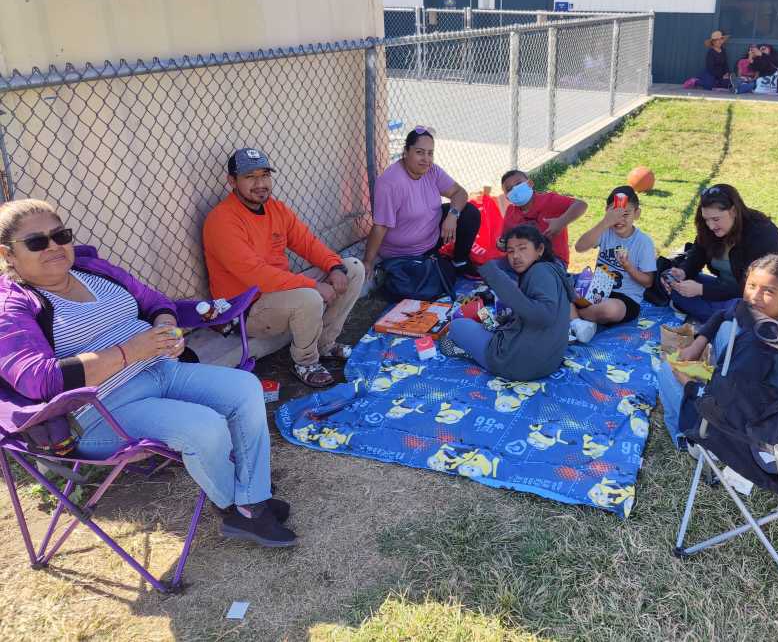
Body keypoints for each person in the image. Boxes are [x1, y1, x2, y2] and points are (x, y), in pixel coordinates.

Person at [0, 199, 297, 547]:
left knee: (245, 387)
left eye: (60, 235)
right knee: (204, 426)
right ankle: (239, 508)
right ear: (8, 255)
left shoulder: (92, 269)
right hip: (102, 411)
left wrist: (167, 329)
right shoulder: (14, 305)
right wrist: (129, 352)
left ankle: (250, 500)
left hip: (159, 369)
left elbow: (157, 303)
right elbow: (38, 379)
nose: (54, 247)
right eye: (37, 242)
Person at [203, 148, 364, 388]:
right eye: (250, 177)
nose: (260, 184)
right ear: (232, 181)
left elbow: (308, 244)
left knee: (352, 268)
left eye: (265, 175)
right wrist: (313, 285)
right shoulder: (222, 220)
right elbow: (256, 275)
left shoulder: (277, 209)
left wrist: (334, 266)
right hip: (244, 309)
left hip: (278, 294)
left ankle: (324, 344)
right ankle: (305, 361)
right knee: (309, 297)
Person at [445, 225, 576, 380]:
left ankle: (471, 351)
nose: (515, 256)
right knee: (489, 322)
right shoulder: (551, 270)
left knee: (457, 325)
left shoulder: (539, 271)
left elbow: (543, 316)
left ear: (539, 250)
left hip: (516, 363)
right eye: (511, 251)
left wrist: (497, 279)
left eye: (522, 248)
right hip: (548, 362)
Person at [671, 254, 778, 407]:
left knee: (667, 372)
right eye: (751, 286)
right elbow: (722, 314)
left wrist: (688, 383)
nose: (755, 297)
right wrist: (697, 345)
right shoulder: (755, 311)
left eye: (768, 291)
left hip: (742, 414)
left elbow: (727, 399)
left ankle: (682, 430)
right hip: (734, 383)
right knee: (727, 323)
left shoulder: (762, 346)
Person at [364, 127, 481, 280]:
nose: (426, 159)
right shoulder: (390, 182)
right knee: (442, 279)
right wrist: (367, 261)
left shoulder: (432, 170)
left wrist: (452, 216)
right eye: (419, 152)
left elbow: (459, 192)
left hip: (432, 237)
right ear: (406, 152)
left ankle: (460, 261)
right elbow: (380, 226)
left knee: (469, 212)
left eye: (430, 153)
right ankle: (431, 264)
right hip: (405, 252)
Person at [659, 184, 778, 323]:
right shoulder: (709, 229)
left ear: (733, 211)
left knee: (739, 309)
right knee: (676, 287)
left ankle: (717, 317)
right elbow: (698, 253)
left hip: (753, 297)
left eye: (716, 219)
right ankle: (716, 315)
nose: (711, 226)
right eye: (706, 219)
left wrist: (702, 290)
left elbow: (750, 288)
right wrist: (683, 272)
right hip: (721, 286)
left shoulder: (761, 234)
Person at [571, 185, 657, 341]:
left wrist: (628, 267)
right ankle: (580, 320)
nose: (619, 220)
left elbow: (648, 282)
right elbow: (579, 247)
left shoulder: (643, 242)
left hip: (625, 299)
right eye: (614, 214)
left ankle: (576, 318)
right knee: (561, 286)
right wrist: (604, 223)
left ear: (636, 214)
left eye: (625, 214)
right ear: (607, 212)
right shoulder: (605, 231)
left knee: (611, 310)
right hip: (596, 291)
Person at [499, 169, 588, 266]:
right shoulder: (511, 212)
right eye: (509, 189)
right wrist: (501, 243)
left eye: (518, 184)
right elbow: (504, 241)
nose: (515, 189)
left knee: (536, 271)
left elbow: (581, 205)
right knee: (492, 267)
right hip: (521, 260)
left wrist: (561, 222)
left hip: (553, 260)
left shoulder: (549, 200)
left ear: (530, 183)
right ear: (507, 197)